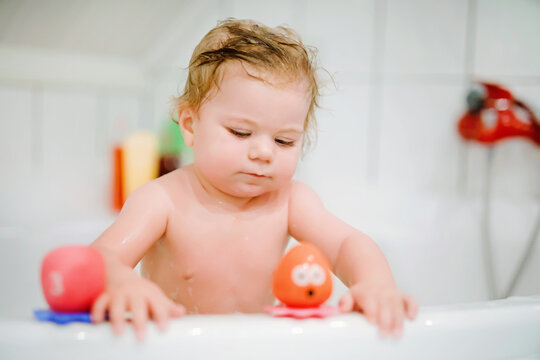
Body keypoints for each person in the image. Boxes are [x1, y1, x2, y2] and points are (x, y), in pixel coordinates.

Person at [90, 18, 418, 341]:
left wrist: (374, 283)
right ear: (190, 125)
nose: (264, 152)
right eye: (241, 132)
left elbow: (348, 244)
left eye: (284, 141)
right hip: (174, 346)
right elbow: (100, 258)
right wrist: (124, 284)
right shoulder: (163, 200)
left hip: (256, 347)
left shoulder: (290, 201)